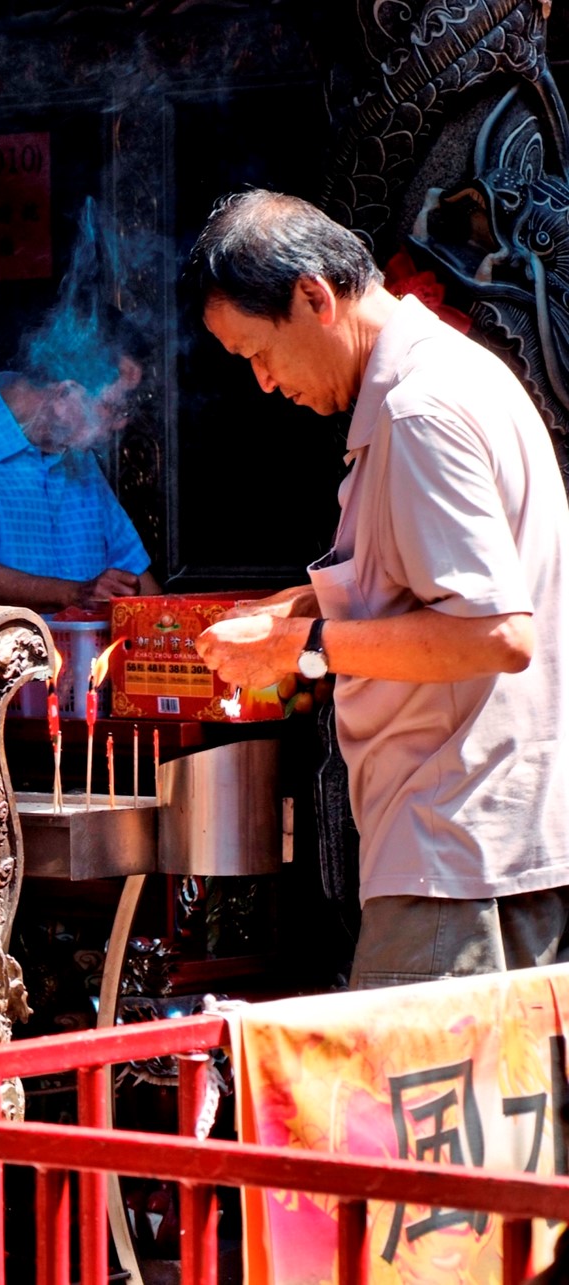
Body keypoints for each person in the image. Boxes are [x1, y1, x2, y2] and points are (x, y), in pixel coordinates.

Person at [189, 189, 569, 989]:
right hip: (477, 844)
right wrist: (294, 608)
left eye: (259, 352)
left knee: (422, 1114)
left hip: (457, 853)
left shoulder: (417, 408)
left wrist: (307, 648)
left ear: (314, 297)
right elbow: (415, 588)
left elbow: (495, 632)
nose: (262, 382)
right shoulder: (441, 377)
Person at [0, 325, 161, 612]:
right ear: (64, 394)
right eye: (113, 406)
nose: (122, 423)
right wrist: (75, 593)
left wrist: (174, 629)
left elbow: (133, 573)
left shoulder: (75, 454)